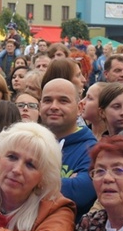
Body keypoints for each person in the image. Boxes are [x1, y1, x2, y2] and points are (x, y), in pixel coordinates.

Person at [40, 78, 98, 217]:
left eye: (63, 101)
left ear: (79, 108)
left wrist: (28, 182)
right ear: (39, 106)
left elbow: (80, 192)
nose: (54, 106)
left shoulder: (93, 149)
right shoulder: (29, 142)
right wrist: (64, 183)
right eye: (48, 100)